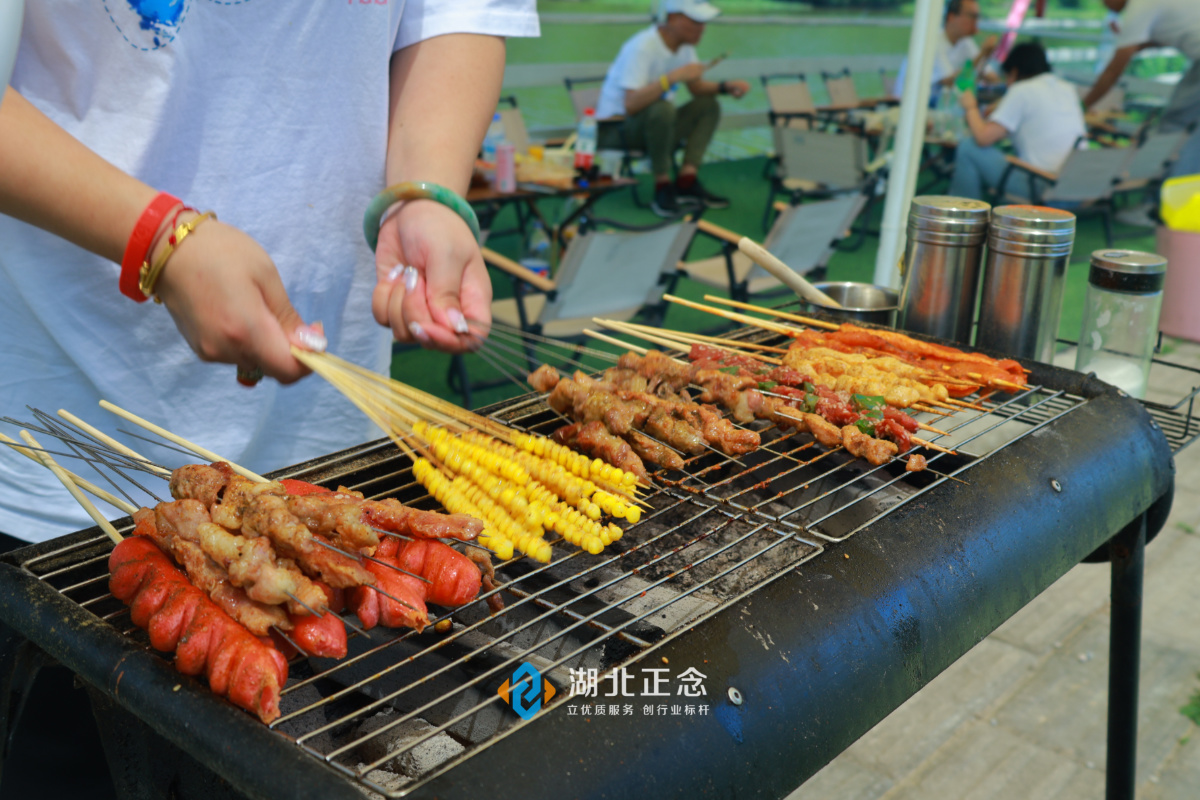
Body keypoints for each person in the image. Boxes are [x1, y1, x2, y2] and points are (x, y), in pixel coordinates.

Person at [0, 3, 540, 544]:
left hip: (337, 454)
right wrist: (157, 237)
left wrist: (425, 194)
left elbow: (454, 16)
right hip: (66, 444)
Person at [595, 0, 750, 217]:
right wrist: (672, 78)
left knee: (708, 105)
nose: (702, 28)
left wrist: (725, 87)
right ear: (672, 18)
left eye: (703, 22)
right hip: (617, 131)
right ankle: (662, 186)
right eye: (696, 21)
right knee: (662, 108)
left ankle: (687, 180)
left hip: (656, 127)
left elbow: (696, 88)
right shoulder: (642, 46)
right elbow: (630, 105)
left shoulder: (685, 47)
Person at [949, 42, 1086, 202]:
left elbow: (983, 138)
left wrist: (970, 107)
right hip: (1078, 188)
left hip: (1042, 186)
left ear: (1014, 72)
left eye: (1007, 77)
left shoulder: (1021, 90)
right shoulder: (1066, 88)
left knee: (968, 147)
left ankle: (961, 213)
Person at [1083, 0, 1200, 181]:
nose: (1103, 4)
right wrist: (1129, 41)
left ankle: (1154, 183)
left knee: (1174, 122)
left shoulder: (1138, 7)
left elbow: (1113, 71)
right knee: (1182, 124)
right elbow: (1169, 36)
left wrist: (1083, 106)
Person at [896, 0, 998, 103]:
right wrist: (982, 54)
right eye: (972, 16)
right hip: (914, 106)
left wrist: (986, 56)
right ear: (951, 17)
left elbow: (992, 77)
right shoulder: (933, 42)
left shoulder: (966, 42)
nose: (976, 22)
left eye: (977, 17)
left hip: (941, 106)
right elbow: (950, 81)